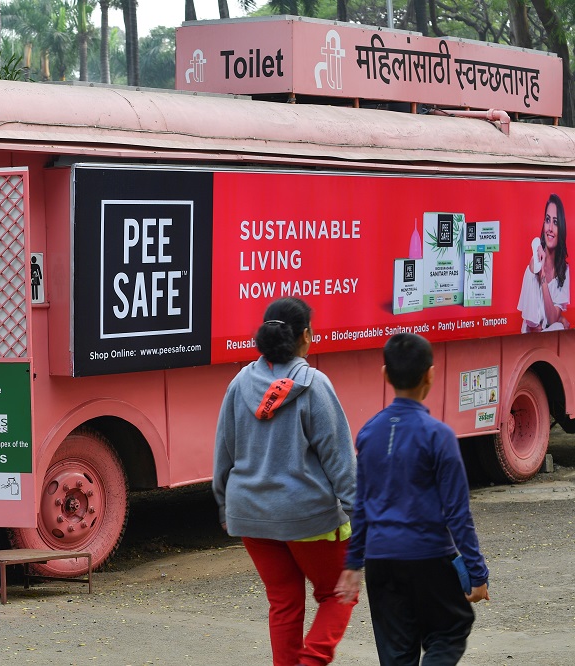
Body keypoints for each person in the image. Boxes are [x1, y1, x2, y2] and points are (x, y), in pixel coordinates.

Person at [213, 297, 357, 666]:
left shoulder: (238, 383)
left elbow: (223, 455)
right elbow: (339, 459)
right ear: (305, 336)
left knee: (284, 601)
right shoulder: (315, 386)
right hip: (307, 516)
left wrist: (225, 507)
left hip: (250, 515)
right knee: (338, 593)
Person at [335, 333, 490, 666]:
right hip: (429, 558)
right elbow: (456, 513)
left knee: (396, 655)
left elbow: (360, 504)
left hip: (380, 562)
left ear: (385, 375)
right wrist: (477, 573)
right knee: (450, 630)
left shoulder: (368, 432)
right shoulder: (439, 436)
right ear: (430, 375)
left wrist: (353, 563)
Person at [518, 193, 570, 332]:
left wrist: (543, 278)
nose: (550, 228)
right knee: (559, 327)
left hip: (549, 337)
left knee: (558, 327)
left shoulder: (564, 270)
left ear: (562, 229)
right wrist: (538, 270)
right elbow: (533, 324)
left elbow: (552, 319)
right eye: (547, 220)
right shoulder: (534, 265)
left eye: (556, 222)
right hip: (530, 340)